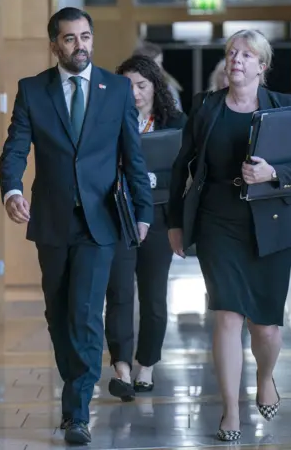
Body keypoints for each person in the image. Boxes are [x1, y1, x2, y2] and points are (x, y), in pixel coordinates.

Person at [0, 7, 153, 445]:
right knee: (58, 311)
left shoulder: (117, 89)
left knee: (86, 313)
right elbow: (15, 150)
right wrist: (12, 190)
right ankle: (75, 384)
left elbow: (133, 155)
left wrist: (143, 211)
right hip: (51, 220)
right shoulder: (33, 91)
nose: (80, 45)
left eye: (85, 36)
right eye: (69, 39)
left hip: (100, 221)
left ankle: (77, 412)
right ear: (55, 45)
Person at [167, 29, 291, 441]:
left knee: (265, 328)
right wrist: (175, 222)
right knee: (228, 316)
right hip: (219, 222)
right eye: (232, 52)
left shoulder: (285, 108)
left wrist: (273, 174)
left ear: (262, 66)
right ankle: (230, 409)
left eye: (246, 54)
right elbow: (181, 167)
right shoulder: (205, 108)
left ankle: (266, 376)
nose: (236, 59)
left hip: (271, 226)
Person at [104, 55, 187, 402]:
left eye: (142, 86)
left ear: (155, 87)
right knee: (119, 294)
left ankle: (146, 365)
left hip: (158, 217)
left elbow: (185, 171)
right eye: (127, 86)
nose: (135, 94)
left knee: (153, 296)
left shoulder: (175, 122)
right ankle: (121, 366)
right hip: (118, 216)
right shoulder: (106, 121)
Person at [133, 40, 183, 110]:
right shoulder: (128, 87)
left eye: (160, 62)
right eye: (158, 62)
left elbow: (177, 116)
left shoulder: (168, 88)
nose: (160, 67)